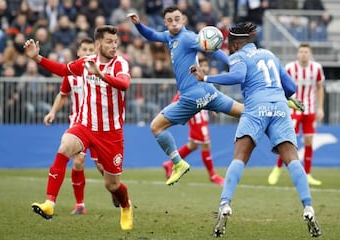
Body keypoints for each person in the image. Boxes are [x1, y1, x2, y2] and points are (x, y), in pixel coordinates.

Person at [191, 22, 321, 238]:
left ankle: (225, 204)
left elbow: (238, 76)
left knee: (239, 157)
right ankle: (308, 207)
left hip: (255, 108)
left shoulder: (240, 58)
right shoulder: (268, 55)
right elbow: (291, 88)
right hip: (279, 107)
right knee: (292, 158)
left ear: (234, 46)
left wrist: (206, 78)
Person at [23, 25, 133, 230]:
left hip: (111, 133)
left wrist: (100, 75)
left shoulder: (120, 64)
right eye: (109, 41)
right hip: (84, 125)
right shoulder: (85, 63)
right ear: (98, 44)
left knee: (112, 185)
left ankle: (126, 206)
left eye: (116, 42)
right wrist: (38, 59)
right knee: (65, 146)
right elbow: (64, 70)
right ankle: (49, 203)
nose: (114, 46)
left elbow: (124, 84)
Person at [128, 6, 244, 186]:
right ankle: (278, 107)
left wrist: (231, 62)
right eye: (170, 20)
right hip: (208, 91)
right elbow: (152, 36)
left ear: (183, 20)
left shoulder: (188, 37)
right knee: (244, 112)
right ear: (165, 23)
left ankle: (177, 163)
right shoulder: (169, 36)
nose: (174, 23)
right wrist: (138, 25)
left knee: (156, 127)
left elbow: (212, 48)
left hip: (191, 97)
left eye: (177, 18)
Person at [43, 37, 107, 215]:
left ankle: (114, 188)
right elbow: (63, 95)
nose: (87, 53)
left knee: (103, 167)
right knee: (78, 161)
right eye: (83, 50)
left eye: (90, 50)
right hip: (78, 124)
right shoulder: (71, 74)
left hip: (99, 125)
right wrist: (53, 112)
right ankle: (80, 205)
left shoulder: (99, 71)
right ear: (78, 52)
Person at [268, 43, 325, 186]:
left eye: (306, 51)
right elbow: (281, 87)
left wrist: (320, 108)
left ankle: (308, 174)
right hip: (293, 109)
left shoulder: (316, 68)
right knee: (288, 140)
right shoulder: (290, 68)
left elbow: (319, 88)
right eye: (301, 52)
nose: (304, 54)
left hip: (310, 109)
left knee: (309, 141)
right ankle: (277, 168)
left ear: (310, 53)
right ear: (297, 54)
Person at [162, 57, 224, 186]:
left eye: (207, 65)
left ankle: (169, 164)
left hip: (203, 114)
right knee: (206, 144)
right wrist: (174, 109)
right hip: (197, 117)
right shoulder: (190, 82)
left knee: (193, 145)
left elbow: (211, 96)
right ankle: (212, 175)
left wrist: (215, 107)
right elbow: (178, 97)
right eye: (203, 65)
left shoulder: (205, 81)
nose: (206, 68)